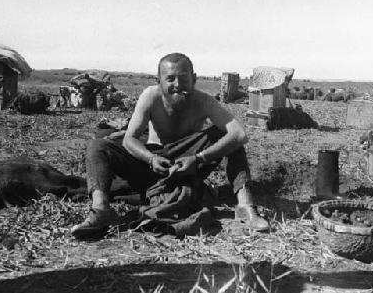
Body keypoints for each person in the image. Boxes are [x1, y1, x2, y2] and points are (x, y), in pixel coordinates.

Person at [71, 53, 268, 238]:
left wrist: (199, 159)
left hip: (188, 166)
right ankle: (101, 209)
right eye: (170, 79)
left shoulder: (203, 101)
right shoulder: (151, 96)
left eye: (183, 78)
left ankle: (246, 206)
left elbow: (239, 134)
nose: (177, 84)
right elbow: (129, 139)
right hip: (152, 164)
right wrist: (151, 158)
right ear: (159, 80)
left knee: (229, 139)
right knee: (98, 146)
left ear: (194, 78)